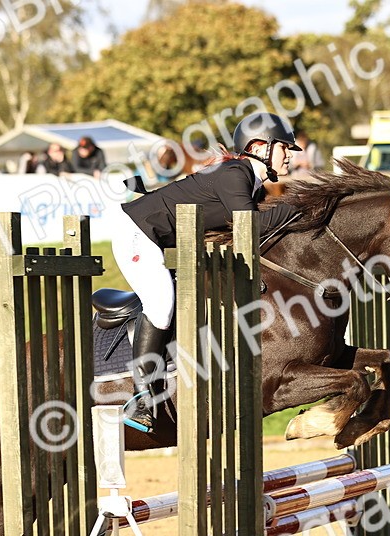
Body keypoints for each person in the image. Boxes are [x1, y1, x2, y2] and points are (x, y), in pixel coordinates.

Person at [111, 112, 302, 432]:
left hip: (163, 240)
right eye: (284, 147)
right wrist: (300, 207)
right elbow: (250, 225)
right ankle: (141, 397)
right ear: (259, 147)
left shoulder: (251, 183)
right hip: (137, 233)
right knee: (161, 304)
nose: (289, 155)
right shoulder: (234, 174)